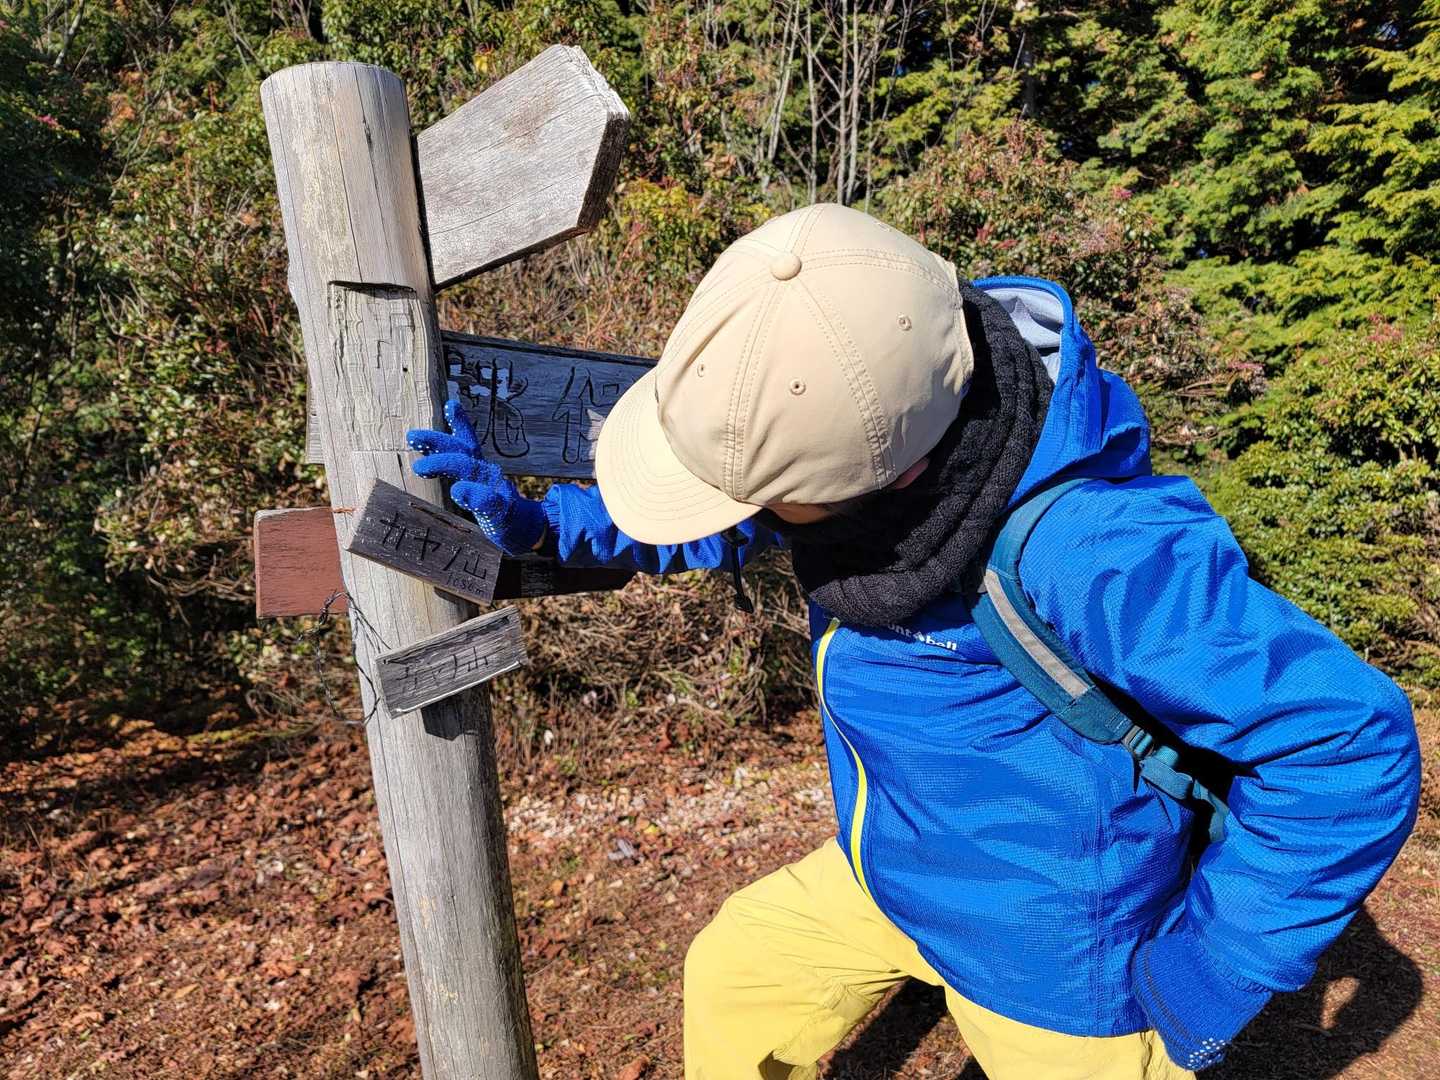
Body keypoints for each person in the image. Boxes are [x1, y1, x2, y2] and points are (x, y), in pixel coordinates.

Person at [406, 203, 1420, 1080]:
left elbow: (1347, 744)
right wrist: (549, 527)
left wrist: (1213, 969)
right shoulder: (883, 396)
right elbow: (744, 511)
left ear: (884, 475)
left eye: (773, 494)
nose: (756, 512)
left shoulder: (1093, 548)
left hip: (1055, 955)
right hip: (893, 871)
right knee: (737, 971)